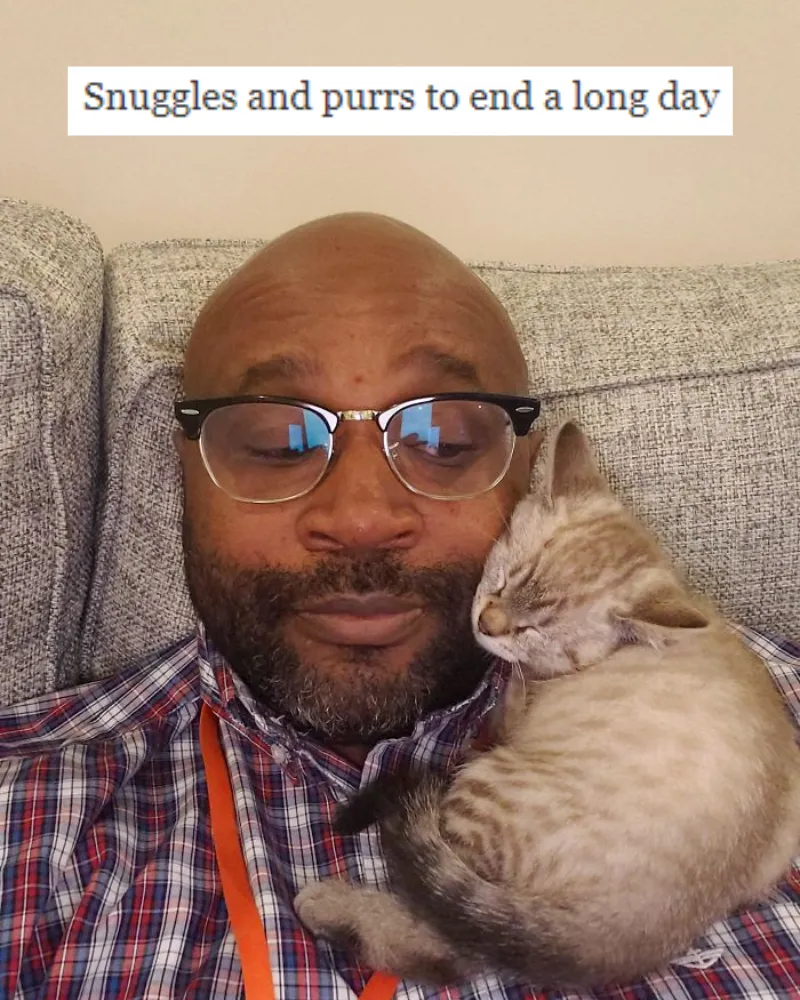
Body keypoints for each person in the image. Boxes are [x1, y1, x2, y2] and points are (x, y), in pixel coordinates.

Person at [0, 213, 797, 1000]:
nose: (361, 517)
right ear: (189, 469)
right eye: (279, 442)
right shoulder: (28, 820)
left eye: (442, 441)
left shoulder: (772, 720)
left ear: (528, 467)